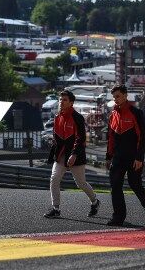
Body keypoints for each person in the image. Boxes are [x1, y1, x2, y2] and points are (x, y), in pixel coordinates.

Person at [44, 90, 100, 219]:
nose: (61, 102)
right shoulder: (57, 116)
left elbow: (80, 138)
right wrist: (53, 151)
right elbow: (56, 137)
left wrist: (74, 154)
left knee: (80, 183)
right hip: (61, 155)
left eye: (64, 100)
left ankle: (95, 202)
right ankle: (56, 208)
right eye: (60, 100)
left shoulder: (78, 117)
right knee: (54, 179)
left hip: (76, 155)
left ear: (71, 103)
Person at [105, 84, 145, 226]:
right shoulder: (112, 115)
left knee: (135, 184)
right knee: (115, 186)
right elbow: (111, 138)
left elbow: (143, 138)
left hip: (133, 158)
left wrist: (140, 158)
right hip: (118, 158)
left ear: (126, 95)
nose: (116, 99)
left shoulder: (136, 113)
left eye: (118, 96)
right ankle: (118, 216)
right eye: (114, 97)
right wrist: (108, 157)